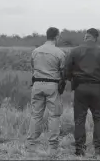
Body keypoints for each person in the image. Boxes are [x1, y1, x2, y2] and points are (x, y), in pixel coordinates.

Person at [63, 28, 100, 157]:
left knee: (79, 119)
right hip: (97, 89)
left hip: (80, 88)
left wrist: (72, 81)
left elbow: (66, 70)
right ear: (96, 38)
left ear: (86, 37)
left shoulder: (75, 51)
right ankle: (99, 150)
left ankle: (79, 150)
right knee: (99, 118)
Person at [26, 27, 66, 156]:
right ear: (57, 37)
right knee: (54, 116)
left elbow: (32, 67)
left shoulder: (35, 51)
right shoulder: (59, 53)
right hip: (52, 85)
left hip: (37, 84)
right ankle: (53, 148)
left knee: (36, 115)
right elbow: (63, 72)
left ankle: (31, 146)